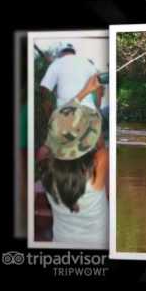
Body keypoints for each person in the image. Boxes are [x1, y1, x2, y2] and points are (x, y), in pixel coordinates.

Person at [39, 98, 108, 247]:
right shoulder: (98, 163)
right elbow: (101, 144)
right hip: (97, 245)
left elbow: (48, 147)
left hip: (61, 242)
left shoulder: (46, 170)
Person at [40, 42, 100, 120]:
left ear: (60, 53)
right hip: (89, 111)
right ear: (74, 52)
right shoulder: (87, 63)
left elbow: (44, 89)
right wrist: (97, 109)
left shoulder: (56, 64)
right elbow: (99, 86)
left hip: (66, 113)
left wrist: (49, 114)